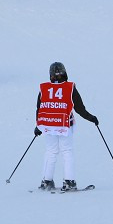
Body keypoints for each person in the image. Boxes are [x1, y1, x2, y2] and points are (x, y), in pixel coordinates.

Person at [34, 61, 99, 192]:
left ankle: (46, 181)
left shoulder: (44, 88)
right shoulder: (70, 87)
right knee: (67, 151)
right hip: (64, 125)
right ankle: (69, 181)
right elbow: (80, 109)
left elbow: (39, 108)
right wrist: (92, 118)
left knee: (50, 152)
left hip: (48, 125)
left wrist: (38, 125)